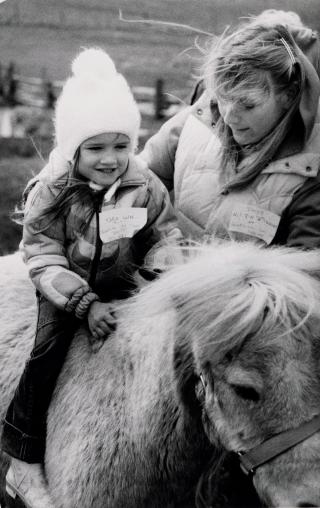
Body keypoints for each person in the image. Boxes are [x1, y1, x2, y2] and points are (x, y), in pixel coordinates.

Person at [1, 48, 182, 508]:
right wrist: (84, 304)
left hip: (124, 282)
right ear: (72, 148)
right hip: (63, 287)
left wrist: (162, 277)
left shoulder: (144, 185)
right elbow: (39, 254)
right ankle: (21, 456)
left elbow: (163, 234)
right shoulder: (53, 191)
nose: (110, 159)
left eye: (121, 145)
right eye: (95, 147)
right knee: (44, 355)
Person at [139, 10, 320, 247]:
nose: (228, 116)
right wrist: (159, 247)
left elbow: (305, 272)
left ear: (289, 95)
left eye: (248, 105)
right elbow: (140, 183)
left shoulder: (318, 169)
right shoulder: (199, 116)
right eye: (222, 97)